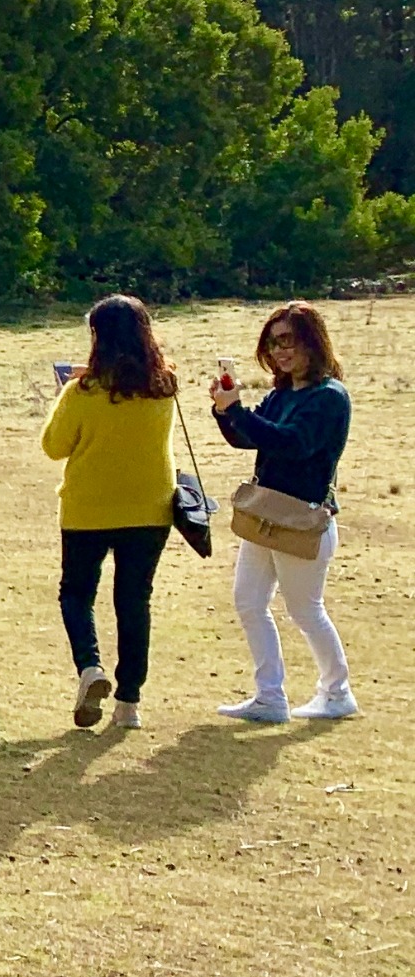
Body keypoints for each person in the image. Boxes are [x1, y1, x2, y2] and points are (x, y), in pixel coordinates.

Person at [209, 303, 356, 722]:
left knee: (305, 610)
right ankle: (270, 696)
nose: (279, 351)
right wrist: (225, 411)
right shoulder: (281, 393)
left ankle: (337, 692)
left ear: (312, 341)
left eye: (288, 340)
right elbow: (249, 438)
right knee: (249, 601)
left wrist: (236, 412)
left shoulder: (328, 397)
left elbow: (291, 443)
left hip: (300, 521)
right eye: (273, 343)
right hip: (265, 516)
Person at [40, 295, 178, 730]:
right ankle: (129, 704)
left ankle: (90, 667)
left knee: (76, 594)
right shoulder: (164, 386)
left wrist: (70, 392)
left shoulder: (81, 392)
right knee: (134, 602)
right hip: (150, 509)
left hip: (88, 509)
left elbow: (53, 447)